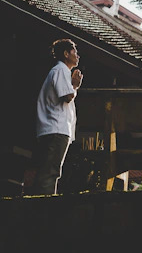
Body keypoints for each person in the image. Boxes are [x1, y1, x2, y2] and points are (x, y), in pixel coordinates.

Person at [32, 39, 83, 194]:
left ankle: (42, 204)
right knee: (51, 171)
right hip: (56, 128)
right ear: (66, 54)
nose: (77, 55)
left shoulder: (60, 71)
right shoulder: (61, 70)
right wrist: (75, 85)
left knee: (50, 169)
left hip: (54, 128)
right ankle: (43, 208)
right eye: (74, 51)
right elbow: (67, 96)